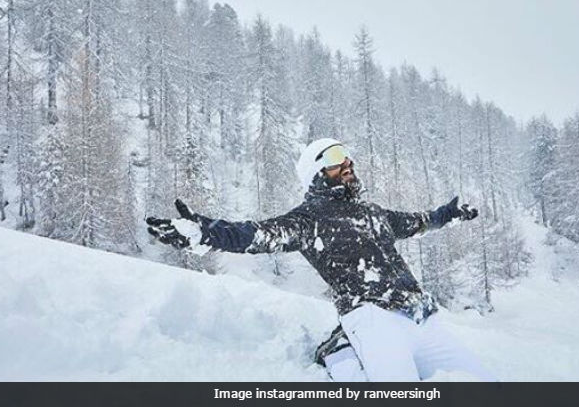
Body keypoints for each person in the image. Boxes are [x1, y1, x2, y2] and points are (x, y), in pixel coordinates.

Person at [146, 138, 496, 381]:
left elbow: (417, 222)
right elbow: (253, 235)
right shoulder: (307, 220)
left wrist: (446, 215)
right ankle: (340, 353)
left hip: (421, 314)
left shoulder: (372, 212)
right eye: (333, 160)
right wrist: (204, 232)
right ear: (316, 172)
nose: (346, 164)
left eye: (346, 157)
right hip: (371, 315)